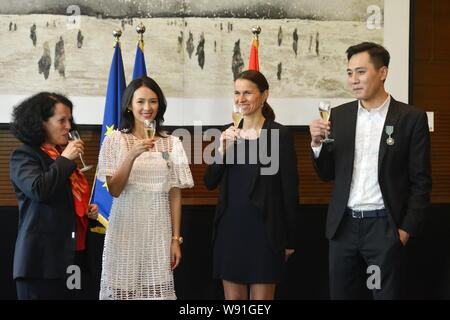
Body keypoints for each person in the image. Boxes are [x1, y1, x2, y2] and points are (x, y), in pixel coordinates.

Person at [309, 42, 432, 299]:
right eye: (349, 73)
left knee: (383, 295)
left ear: (383, 72)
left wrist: (405, 230)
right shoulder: (338, 116)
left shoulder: (411, 118)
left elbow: (421, 181)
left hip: (384, 229)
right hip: (343, 228)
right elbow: (327, 174)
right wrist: (317, 145)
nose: (353, 80)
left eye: (361, 72)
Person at [204, 70, 299, 300]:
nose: (241, 99)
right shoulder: (228, 132)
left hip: (266, 232)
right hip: (231, 228)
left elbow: (289, 190)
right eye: (237, 93)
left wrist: (290, 239)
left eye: (247, 92)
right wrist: (222, 151)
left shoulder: (279, 133)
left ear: (264, 95)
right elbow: (209, 182)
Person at [98, 76, 194, 300]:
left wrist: (175, 239)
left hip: (158, 230)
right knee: (122, 292)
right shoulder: (115, 140)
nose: (147, 107)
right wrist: (131, 154)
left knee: (157, 293)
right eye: (140, 101)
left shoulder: (172, 143)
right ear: (129, 105)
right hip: (124, 229)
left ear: (159, 105)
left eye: (153, 101)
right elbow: (114, 190)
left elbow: (174, 193)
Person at [9, 92, 99, 300]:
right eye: (61, 120)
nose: (69, 126)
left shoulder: (60, 156)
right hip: (42, 263)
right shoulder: (24, 155)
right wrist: (66, 158)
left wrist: (85, 211)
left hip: (74, 257)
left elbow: (64, 199)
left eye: (70, 119)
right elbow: (39, 190)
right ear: (41, 123)